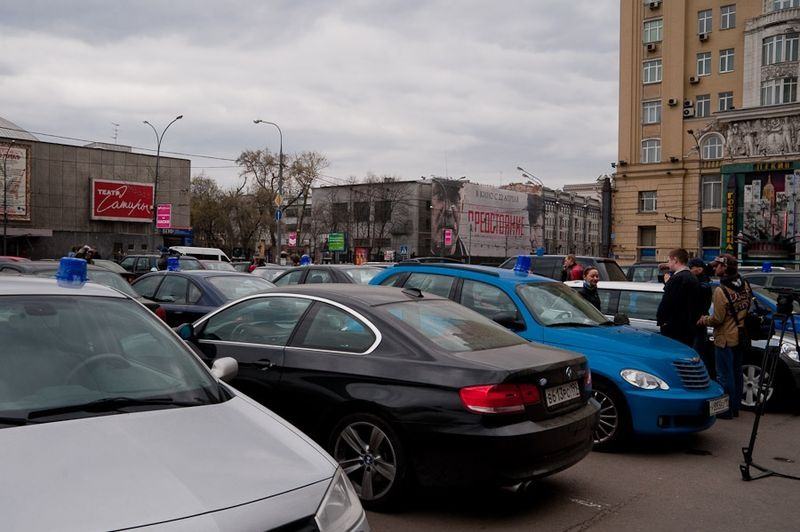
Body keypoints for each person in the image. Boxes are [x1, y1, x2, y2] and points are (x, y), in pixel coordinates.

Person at [697, 254, 751, 419]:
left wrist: (703, 319)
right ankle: (735, 408)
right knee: (736, 373)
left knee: (724, 375)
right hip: (740, 336)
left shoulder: (721, 290)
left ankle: (725, 411)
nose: (714, 268)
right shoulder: (745, 285)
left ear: (725, 268)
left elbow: (717, 319)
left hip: (725, 339)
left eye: (717, 266)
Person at [656, 248, 701, 348]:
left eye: (669, 260)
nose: (668, 263)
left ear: (675, 260)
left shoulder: (677, 278)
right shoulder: (693, 277)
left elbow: (668, 302)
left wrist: (662, 322)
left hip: (674, 328)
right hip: (688, 328)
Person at [689, 257, 714, 361]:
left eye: (691, 268)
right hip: (700, 320)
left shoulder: (700, 284)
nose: (689, 271)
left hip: (698, 321)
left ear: (699, 269)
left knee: (695, 354)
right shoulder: (704, 281)